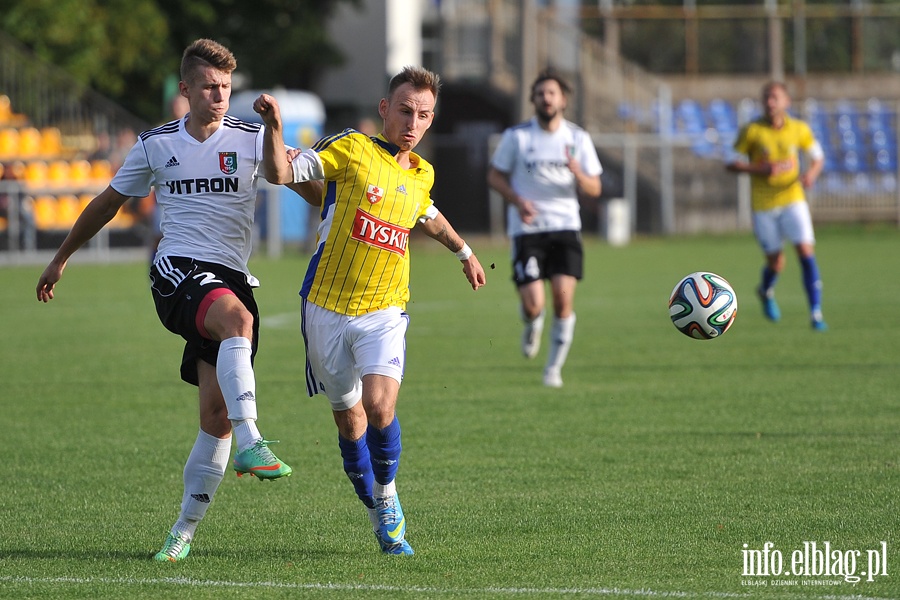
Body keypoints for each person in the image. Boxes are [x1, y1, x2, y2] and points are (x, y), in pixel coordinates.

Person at [35, 38, 293, 563]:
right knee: (237, 321)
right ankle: (255, 441)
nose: (218, 95)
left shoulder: (250, 137)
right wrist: (61, 257)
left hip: (232, 276)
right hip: (178, 269)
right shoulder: (156, 144)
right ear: (186, 90)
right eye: (208, 86)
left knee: (215, 416)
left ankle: (181, 533)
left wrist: (278, 131)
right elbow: (108, 202)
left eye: (225, 86)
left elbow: (289, 175)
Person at [253, 65, 486, 555]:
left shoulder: (422, 173)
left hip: (385, 308)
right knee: (350, 418)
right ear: (385, 109)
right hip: (325, 306)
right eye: (405, 110)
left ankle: (387, 497)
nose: (413, 122)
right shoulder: (353, 147)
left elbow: (429, 214)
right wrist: (276, 127)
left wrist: (463, 252)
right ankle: (372, 495)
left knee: (380, 407)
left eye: (423, 115)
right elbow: (280, 173)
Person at [487, 68, 602, 388]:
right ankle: (532, 322)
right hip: (528, 230)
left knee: (563, 302)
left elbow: (595, 189)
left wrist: (579, 174)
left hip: (565, 227)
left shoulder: (578, 138)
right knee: (534, 303)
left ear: (563, 100)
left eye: (552, 93)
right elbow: (494, 176)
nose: (546, 98)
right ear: (533, 100)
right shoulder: (518, 137)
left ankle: (553, 369)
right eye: (540, 93)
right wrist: (517, 199)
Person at [726, 81, 827, 331]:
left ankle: (815, 313)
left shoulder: (799, 129)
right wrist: (758, 168)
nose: (770, 102)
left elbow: (817, 157)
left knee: (805, 251)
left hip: (793, 199)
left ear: (786, 102)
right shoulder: (752, 131)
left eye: (775, 98)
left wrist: (811, 175)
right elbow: (731, 163)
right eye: (766, 98)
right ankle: (765, 291)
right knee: (776, 263)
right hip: (763, 204)